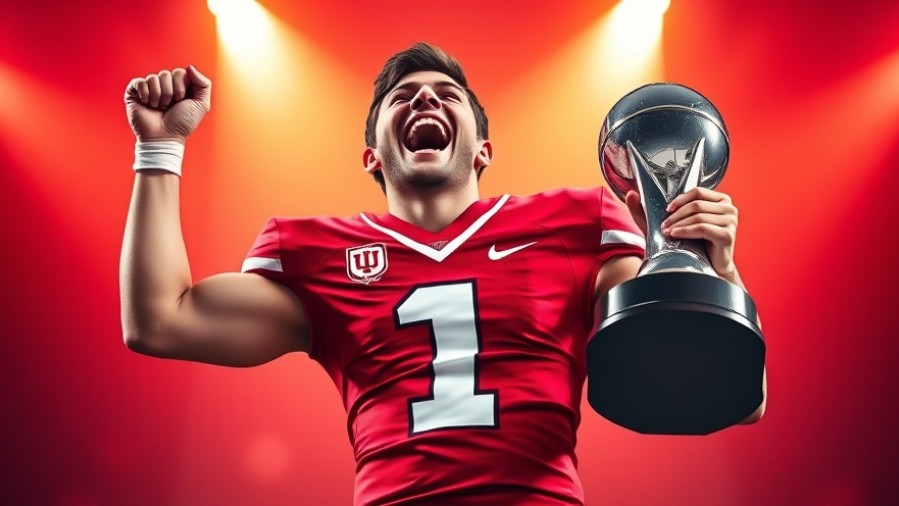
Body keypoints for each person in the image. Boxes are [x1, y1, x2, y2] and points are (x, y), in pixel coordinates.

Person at [121, 43, 765, 505]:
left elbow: (730, 392)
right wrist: (159, 146)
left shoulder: (576, 222)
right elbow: (160, 320)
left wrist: (715, 265)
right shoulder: (318, 253)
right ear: (372, 156)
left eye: (446, 95)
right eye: (401, 97)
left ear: (483, 149)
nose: (424, 98)